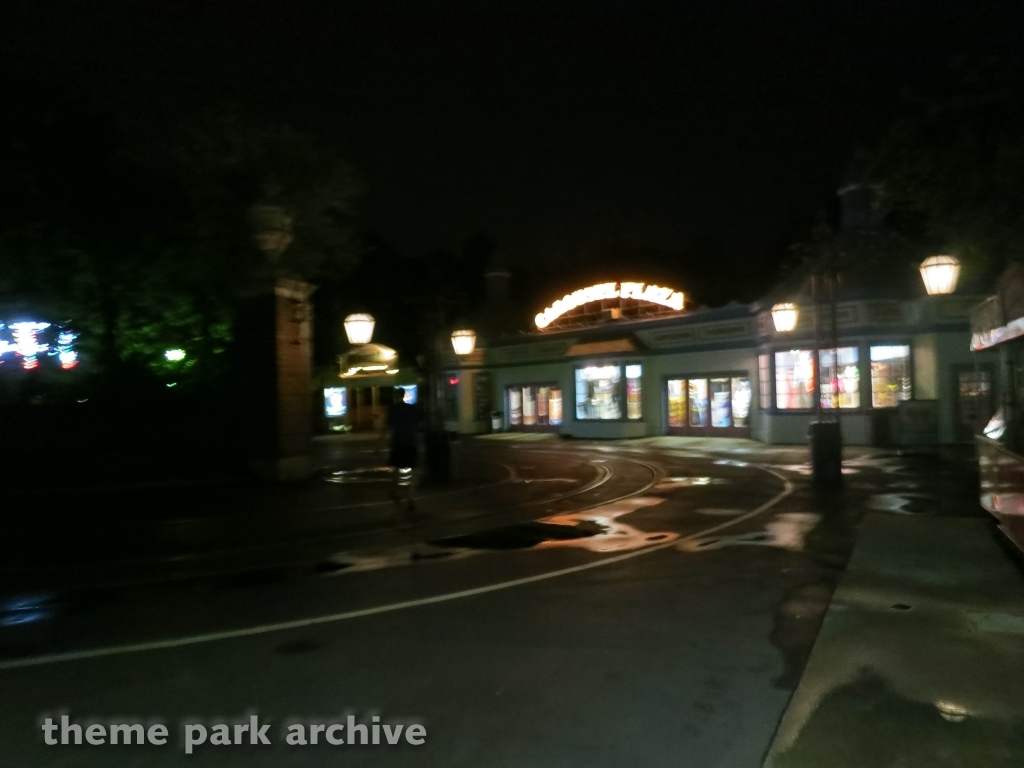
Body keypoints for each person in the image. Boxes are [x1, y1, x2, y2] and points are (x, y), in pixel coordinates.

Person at [386, 386, 420, 510]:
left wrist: (381, 444)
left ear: (395, 396)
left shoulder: (392, 410)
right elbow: (418, 424)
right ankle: (411, 498)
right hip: (411, 443)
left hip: (398, 443)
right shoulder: (412, 409)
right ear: (404, 395)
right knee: (414, 471)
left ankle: (395, 491)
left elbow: (388, 428)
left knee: (396, 469)